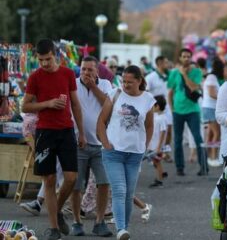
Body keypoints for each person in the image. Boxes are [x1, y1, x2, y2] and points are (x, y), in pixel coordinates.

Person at [21, 39, 86, 240]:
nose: (45, 64)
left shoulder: (67, 74)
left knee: (72, 178)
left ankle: (56, 209)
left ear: (55, 55)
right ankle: (54, 228)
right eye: (41, 60)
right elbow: (25, 107)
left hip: (66, 131)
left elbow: (75, 104)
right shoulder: (35, 77)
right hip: (45, 133)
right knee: (48, 180)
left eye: (48, 59)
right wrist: (48, 103)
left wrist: (81, 132)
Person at [96, 65, 155, 240]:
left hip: (135, 154)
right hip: (113, 153)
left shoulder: (148, 99)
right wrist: (105, 143)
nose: (126, 85)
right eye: (123, 81)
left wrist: (145, 145)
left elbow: (150, 125)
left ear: (139, 81)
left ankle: (124, 227)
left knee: (129, 194)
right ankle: (121, 228)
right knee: (119, 190)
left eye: (130, 82)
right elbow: (101, 121)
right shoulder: (115, 94)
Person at [70, 56, 113, 237]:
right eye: (84, 69)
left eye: (90, 70)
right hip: (78, 142)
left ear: (97, 71)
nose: (86, 73)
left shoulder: (105, 85)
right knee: (76, 185)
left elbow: (108, 105)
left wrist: (93, 86)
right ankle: (76, 222)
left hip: (100, 144)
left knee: (104, 183)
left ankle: (99, 221)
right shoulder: (72, 84)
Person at [168, 49, 207, 176]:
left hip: (193, 110)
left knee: (198, 138)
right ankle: (180, 167)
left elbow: (194, 87)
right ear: (180, 58)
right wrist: (171, 107)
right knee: (178, 140)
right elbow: (170, 91)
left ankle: (204, 167)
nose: (186, 59)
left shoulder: (196, 72)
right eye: (183, 56)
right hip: (177, 111)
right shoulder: (173, 73)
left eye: (188, 57)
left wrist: (184, 74)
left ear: (191, 58)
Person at [145, 56, 173, 162]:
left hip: (168, 107)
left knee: (169, 130)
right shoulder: (151, 77)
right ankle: (155, 152)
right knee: (157, 132)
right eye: (166, 62)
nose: (168, 64)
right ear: (159, 64)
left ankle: (165, 152)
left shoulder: (169, 75)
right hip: (156, 109)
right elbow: (146, 91)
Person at [202, 57, 224, 166]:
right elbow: (211, 93)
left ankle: (208, 156)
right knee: (217, 133)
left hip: (211, 107)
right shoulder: (212, 77)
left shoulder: (213, 77)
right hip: (210, 108)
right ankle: (213, 157)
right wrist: (224, 98)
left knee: (211, 133)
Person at [147, 95, 168, 188]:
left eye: (153, 106)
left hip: (157, 146)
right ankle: (161, 174)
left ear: (157, 106)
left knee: (157, 162)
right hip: (154, 145)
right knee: (156, 162)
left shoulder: (162, 118)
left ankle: (159, 180)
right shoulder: (157, 116)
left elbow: (163, 132)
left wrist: (159, 146)